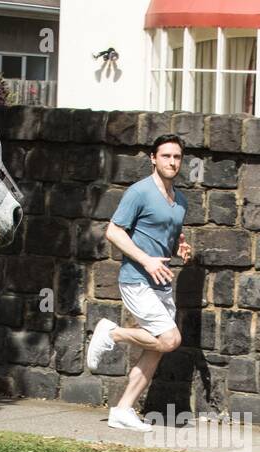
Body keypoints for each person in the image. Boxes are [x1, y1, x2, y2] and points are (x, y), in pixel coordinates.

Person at [85, 133, 192, 431]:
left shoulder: (180, 200)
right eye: (166, 156)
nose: (172, 162)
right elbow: (114, 232)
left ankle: (122, 410)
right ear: (153, 159)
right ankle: (113, 334)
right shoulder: (139, 192)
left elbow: (163, 235)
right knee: (170, 339)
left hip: (162, 283)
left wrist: (179, 246)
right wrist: (145, 260)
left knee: (157, 348)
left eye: (177, 157)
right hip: (137, 279)